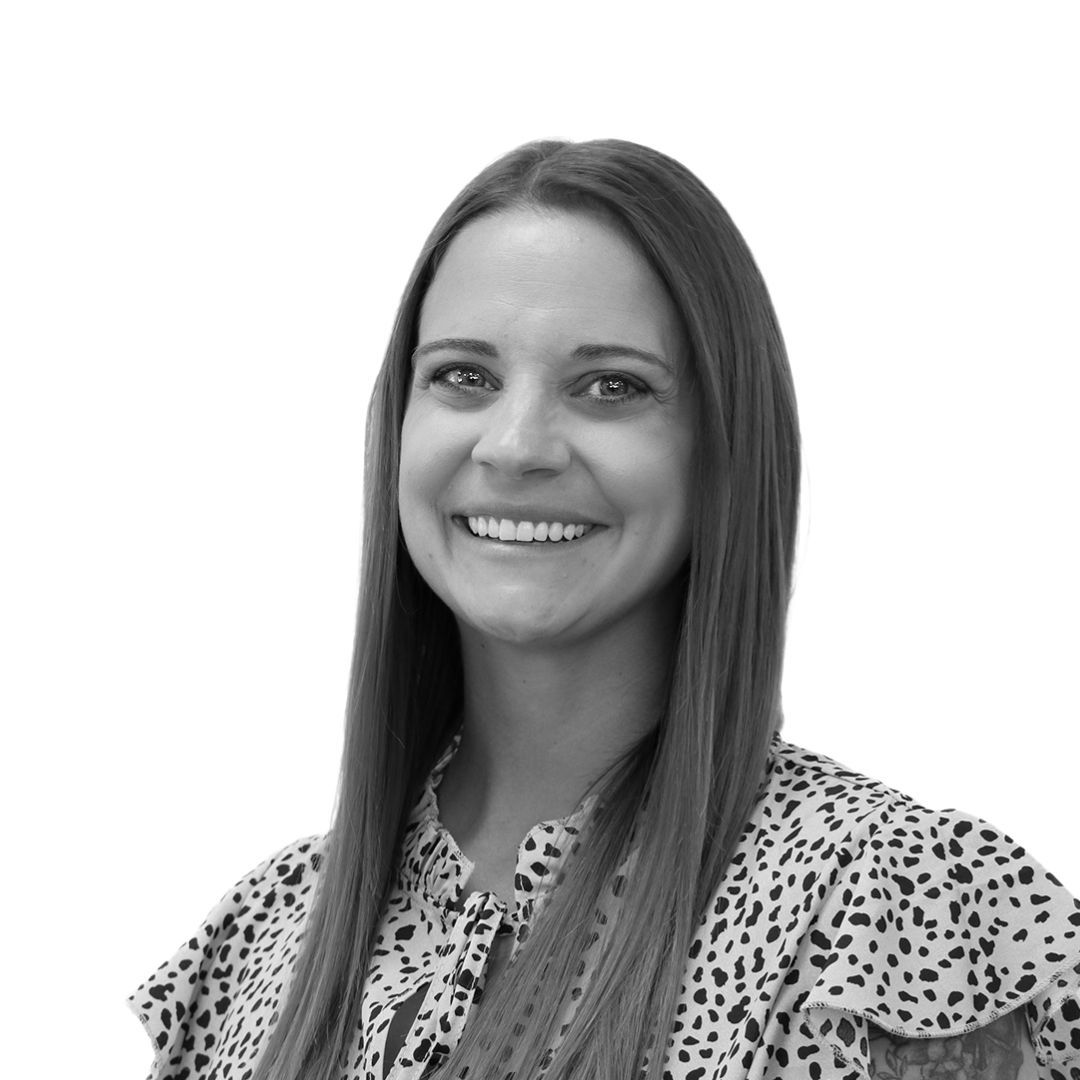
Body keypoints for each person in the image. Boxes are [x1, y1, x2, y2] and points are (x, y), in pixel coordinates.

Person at [127, 139, 1080, 1080]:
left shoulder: (895, 905)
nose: (515, 445)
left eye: (611, 386)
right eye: (465, 375)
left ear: (722, 451)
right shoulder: (265, 937)